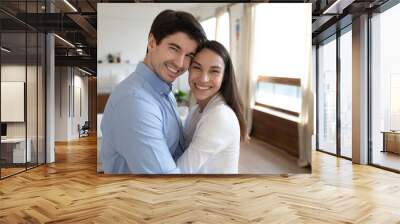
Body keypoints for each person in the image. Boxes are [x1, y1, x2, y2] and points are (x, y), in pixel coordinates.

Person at [101, 10, 207, 174]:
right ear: (152, 42)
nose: (180, 63)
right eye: (174, 48)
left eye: (189, 56)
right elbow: (165, 184)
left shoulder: (163, 89)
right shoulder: (134, 102)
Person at [177, 40, 246, 174]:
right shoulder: (196, 110)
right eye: (197, 67)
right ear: (189, 69)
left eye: (214, 71)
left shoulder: (219, 116)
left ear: (224, 77)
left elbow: (180, 172)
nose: (203, 78)